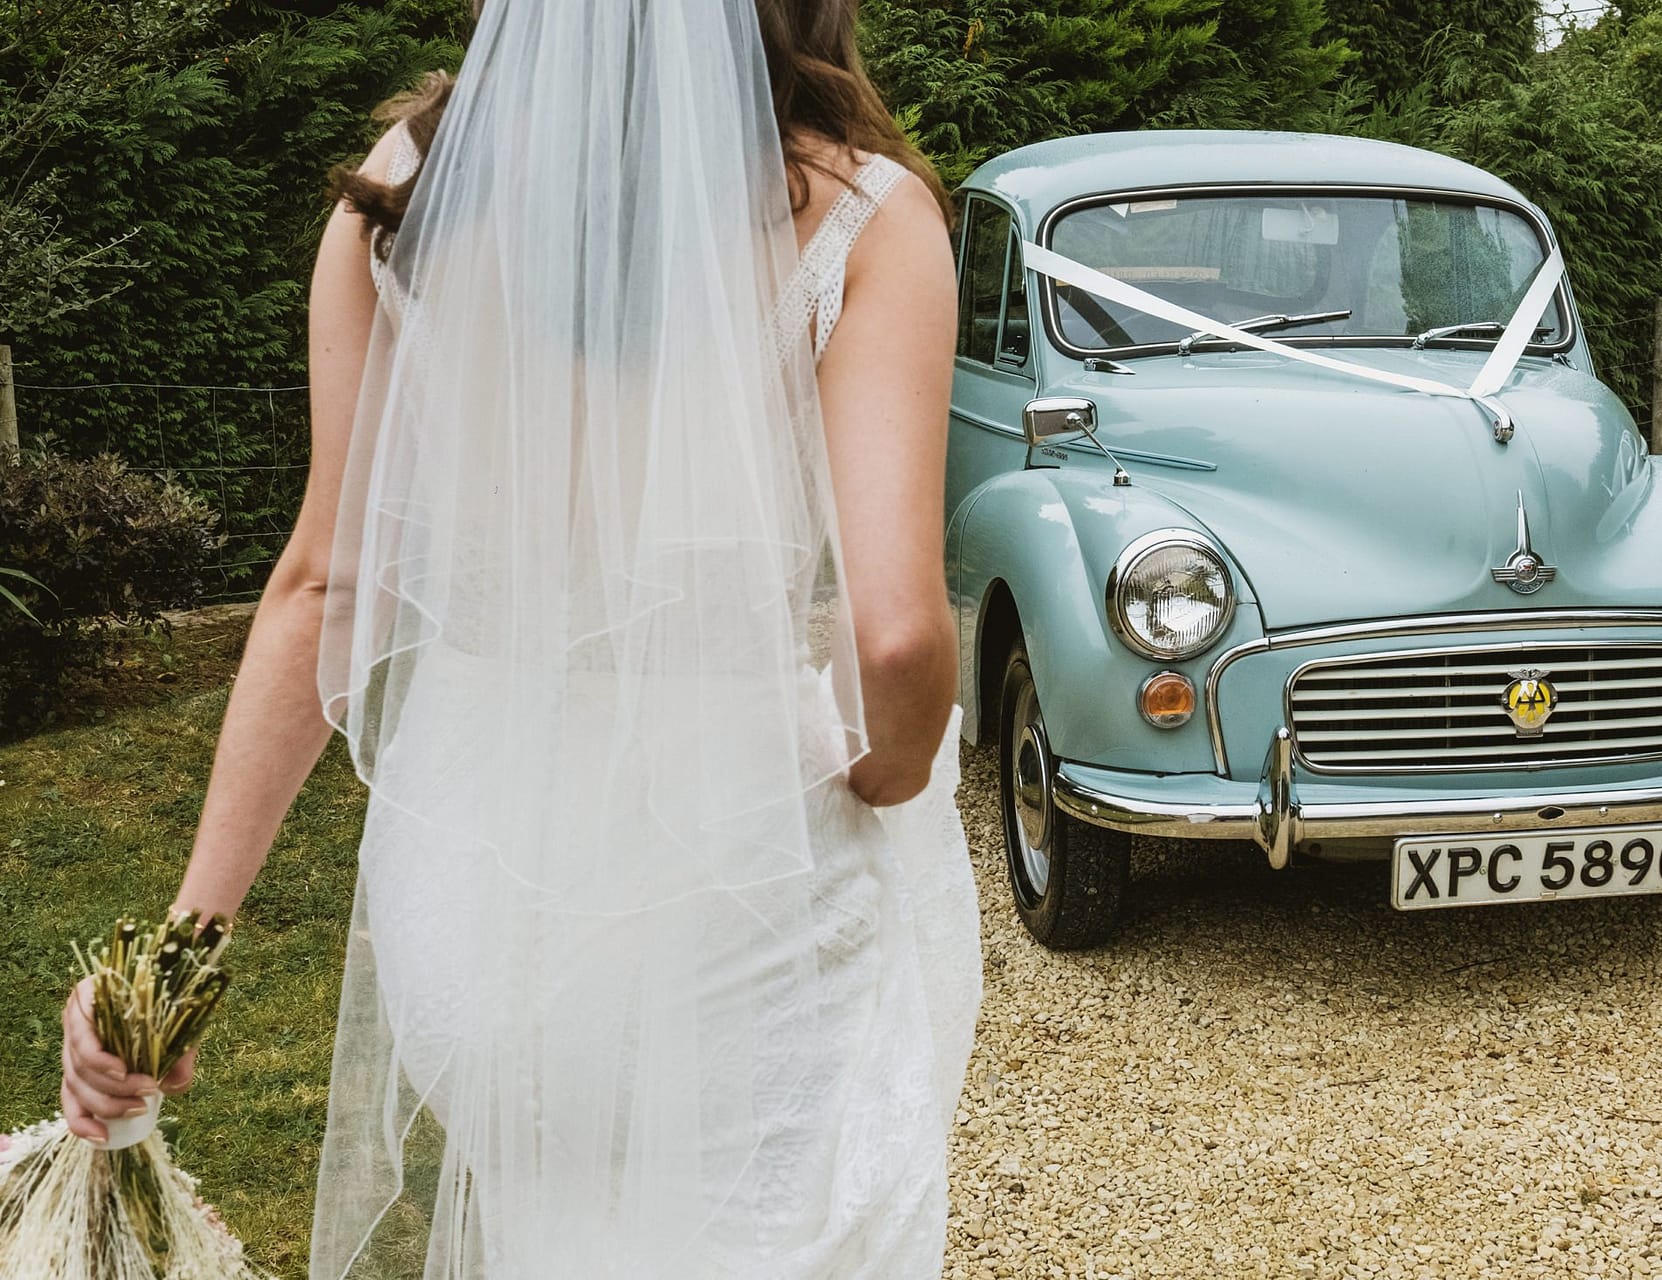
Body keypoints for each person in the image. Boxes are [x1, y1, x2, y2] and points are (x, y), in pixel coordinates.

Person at [59, 0, 982, 1274]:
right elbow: (896, 641)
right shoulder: (863, 213)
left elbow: (324, 588)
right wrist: (894, 765)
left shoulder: (399, 199)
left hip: (479, 882)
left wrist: (176, 956)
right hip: (737, 881)